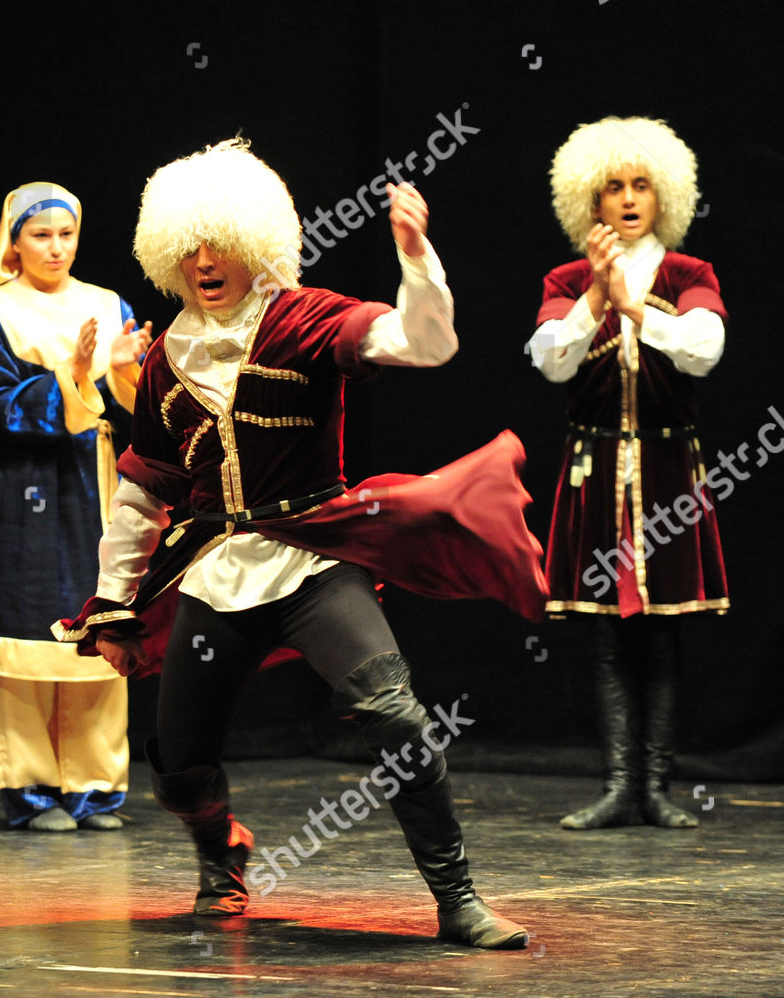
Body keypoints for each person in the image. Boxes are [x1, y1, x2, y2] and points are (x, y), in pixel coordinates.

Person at [56, 140, 542, 948]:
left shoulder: (304, 319)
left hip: (313, 564)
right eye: (189, 247)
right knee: (176, 766)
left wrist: (417, 261)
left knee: (395, 717)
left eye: (221, 242)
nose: (205, 261)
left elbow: (424, 343)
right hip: (215, 577)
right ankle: (222, 863)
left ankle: (458, 898)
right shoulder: (163, 361)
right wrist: (112, 602)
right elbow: (144, 489)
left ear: (258, 244)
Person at [527, 117, 726, 830]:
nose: (629, 197)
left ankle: (656, 786)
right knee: (610, 631)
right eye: (614, 186)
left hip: (668, 466)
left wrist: (636, 304)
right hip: (598, 467)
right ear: (592, 201)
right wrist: (595, 300)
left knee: (664, 630)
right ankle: (620, 784)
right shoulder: (568, 279)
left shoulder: (688, 274)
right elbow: (551, 358)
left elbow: (706, 347)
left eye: (642, 184)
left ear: (664, 195)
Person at [0, 182, 152, 832]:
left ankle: (96, 785)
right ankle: (34, 787)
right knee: (30, 628)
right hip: (28, 484)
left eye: (65, 234)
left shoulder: (107, 303)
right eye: (40, 234)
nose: (55, 247)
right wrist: (76, 378)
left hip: (96, 479)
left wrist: (128, 371)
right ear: (13, 240)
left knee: (101, 620)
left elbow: (137, 406)